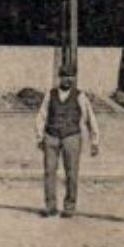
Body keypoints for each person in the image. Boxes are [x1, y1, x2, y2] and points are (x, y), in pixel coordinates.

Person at [35, 65, 101, 218]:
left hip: (71, 137)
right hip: (51, 137)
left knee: (71, 173)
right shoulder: (50, 95)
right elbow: (41, 116)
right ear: (59, 77)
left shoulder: (80, 96)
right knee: (49, 172)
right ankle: (50, 207)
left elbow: (91, 118)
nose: (67, 79)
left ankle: (69, 208)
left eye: (70, 76)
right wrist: (40, 136)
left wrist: (95, 141)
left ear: (74, 78)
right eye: (64, 75)